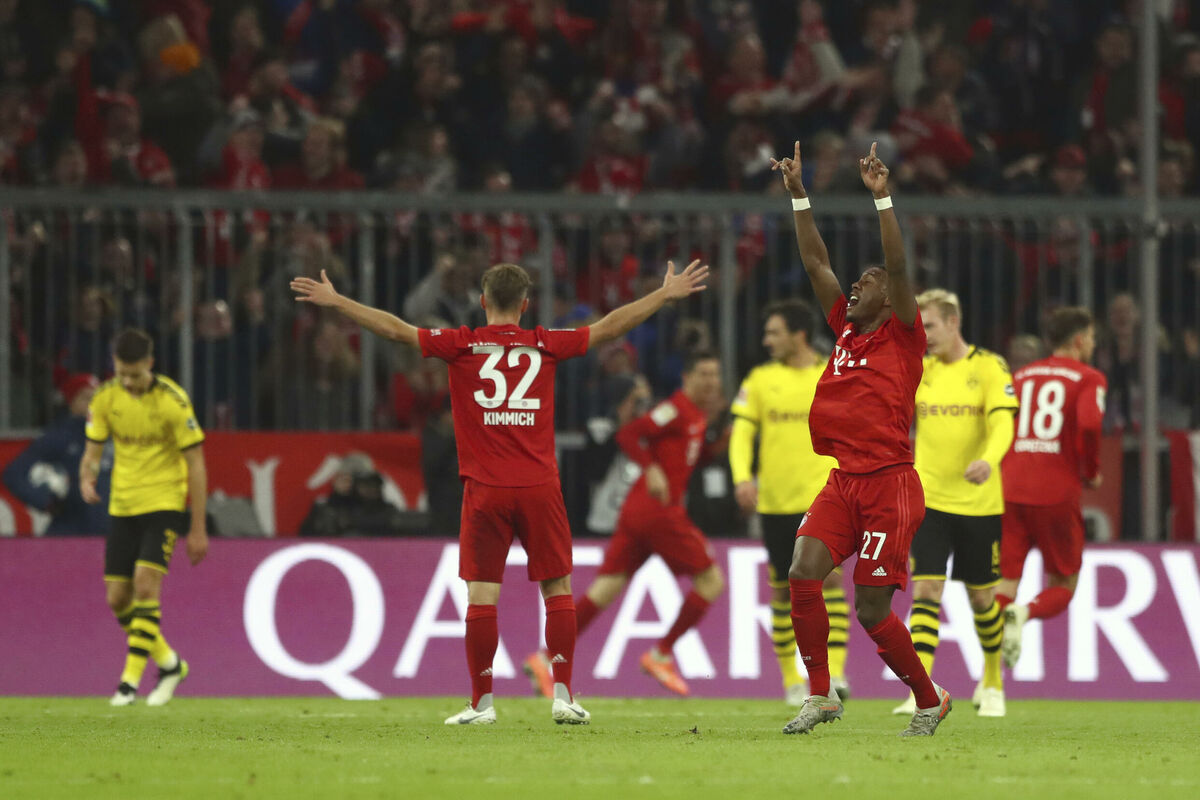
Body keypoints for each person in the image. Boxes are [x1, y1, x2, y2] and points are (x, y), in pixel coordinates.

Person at [291, 258, 709, 725]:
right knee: (558, 589)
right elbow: (610, 328)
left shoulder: (461, 344)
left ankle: (482, 703)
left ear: (483, 301)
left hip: (486, 489)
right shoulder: (545, 343)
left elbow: (395, 330)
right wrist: (662, 295)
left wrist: (338, 302)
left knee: (482, 595)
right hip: (539, 487)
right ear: (526, 305)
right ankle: (564, 696)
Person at [771, 140, 952, 736]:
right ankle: (820, 694)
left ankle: (928, 698)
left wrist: (883, 199)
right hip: (845, 481)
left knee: (872, 608)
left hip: (889, 486)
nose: (855, 285)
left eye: (866, 282)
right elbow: (816, 264)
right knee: (803, 570)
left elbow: (897, 267)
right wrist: (800, 196)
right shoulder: (844, 331)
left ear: (889, 297)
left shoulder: (902, 334)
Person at [525, 352, 727, 699]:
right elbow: (629, 434)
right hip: (658, 512)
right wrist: (651, 468)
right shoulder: (674, 410)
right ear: (687, 378)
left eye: (715, 375)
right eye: (704, 374)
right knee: (712, 581)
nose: (711, 381)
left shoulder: (696, 415)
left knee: (604, 589)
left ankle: (545, 659)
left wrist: (720, 443)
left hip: (639, 514)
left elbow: (687, 457)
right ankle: (660, 654)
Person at [892, 289, 1017, 719]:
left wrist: (988, 460)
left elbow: (1003, 424)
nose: (923, 335)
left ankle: (993, 681)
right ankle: (920, 689)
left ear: (952, 322)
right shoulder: (920, 371)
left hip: (979, 503)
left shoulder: (988, 367)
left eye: (929, 326)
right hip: (929, 501)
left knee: (982, 598)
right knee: (926, 589)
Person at [79, 328, 209, 707]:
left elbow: (196, 464)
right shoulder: (105, 398)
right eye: (122, 373)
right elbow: (92, 452)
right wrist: (87, 476)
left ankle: (128, 683)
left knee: (145, 585)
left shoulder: (172, 401)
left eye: (135, 374)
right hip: (123, 505)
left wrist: (197, 528)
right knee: (118, 599)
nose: (129, 381)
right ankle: (170, 665)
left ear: (150, 364)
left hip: (164, 503)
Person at [729, 300, 844, 707]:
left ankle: (837, 673)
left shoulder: (830, 373)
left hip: (824, 498)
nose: (767, 340)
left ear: (799, 335)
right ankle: (792, 680)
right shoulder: (761, 380)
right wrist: (742, 477)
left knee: (831, 580)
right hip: (776, 502)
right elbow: (741, 434)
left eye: (774, 332)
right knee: (783, 591)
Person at [997, 307, 1106, 668]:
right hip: (1055, 491)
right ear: (1079, 340)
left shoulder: (1022, 375)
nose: (1093, 344)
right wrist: (1090, 470)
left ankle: (990, 677)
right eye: (1092, 338)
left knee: (1006, 580)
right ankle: (1024, 613)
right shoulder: (1089, 378)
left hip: (1010, 488)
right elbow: (1089, 424)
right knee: (1064, 581)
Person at [3, 373, 111, 536]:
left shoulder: (114, 438)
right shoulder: (59, 437)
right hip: (70, 533)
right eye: (86, 398)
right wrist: (45, 501)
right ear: (71, 402)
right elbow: (13, 473)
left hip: (110, 533)